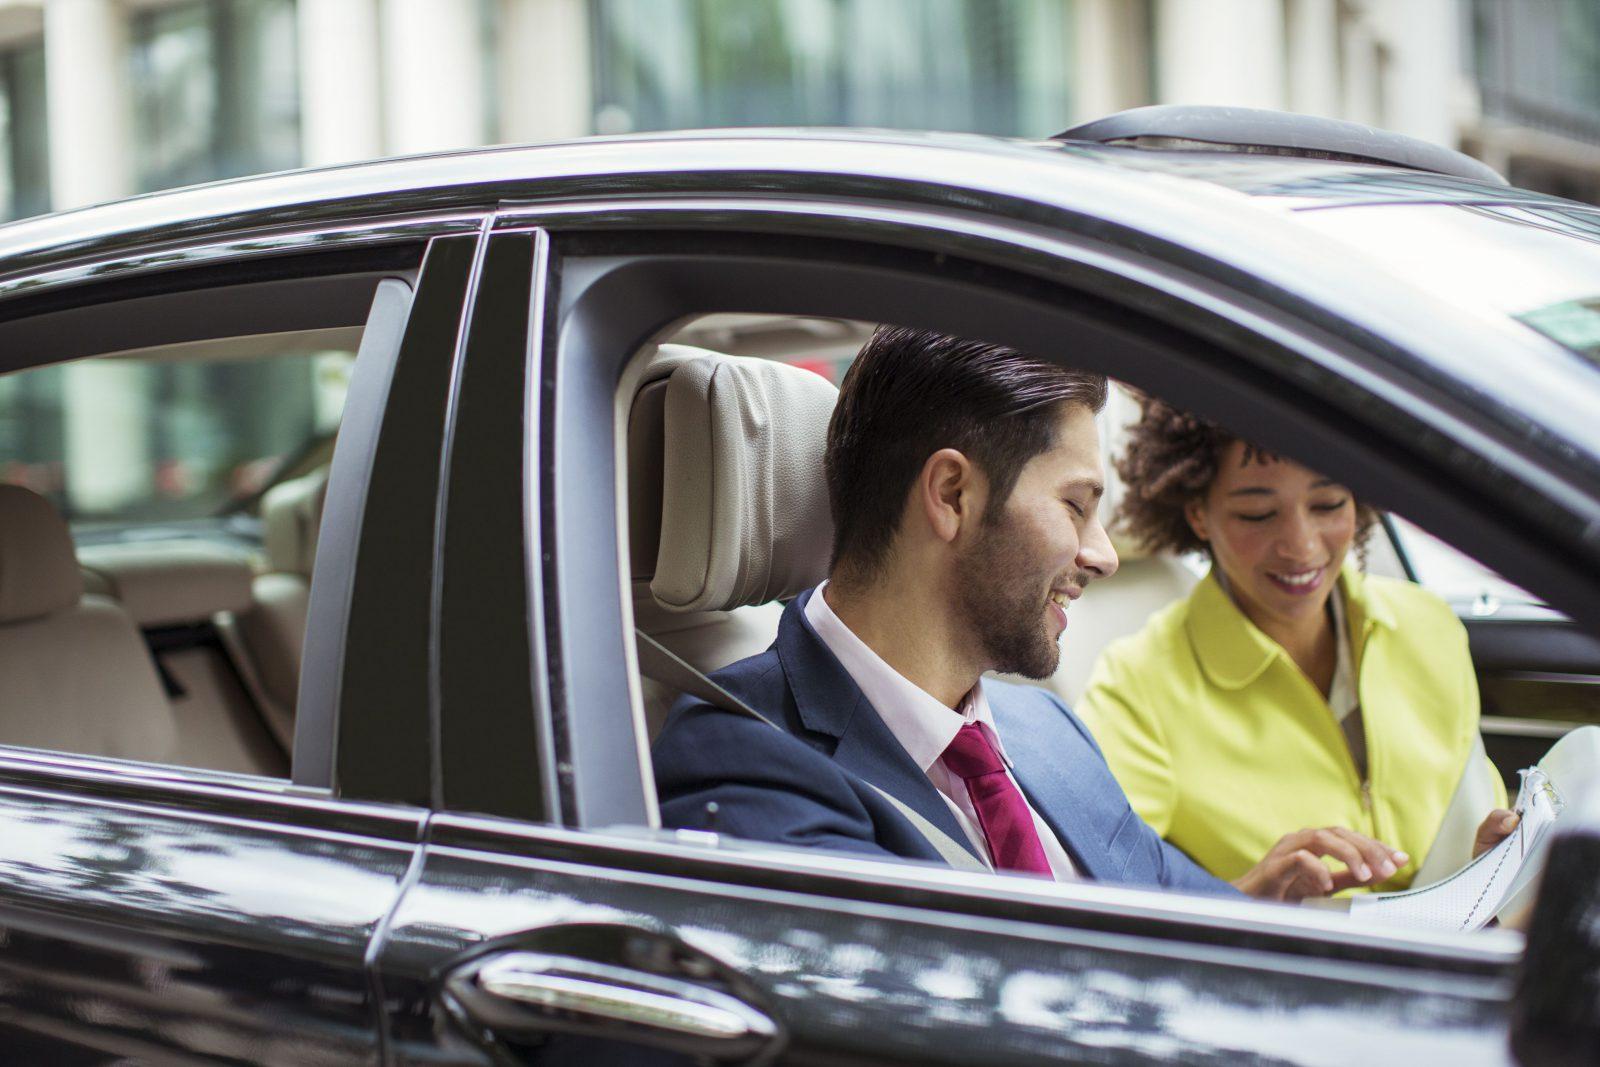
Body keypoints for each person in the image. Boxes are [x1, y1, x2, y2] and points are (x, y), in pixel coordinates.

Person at [652, 327, 1407, 900]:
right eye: (1076, 506)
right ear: (952, 495)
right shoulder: (743, 761)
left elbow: (1178, 912)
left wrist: (1259, 916)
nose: (1104, 555)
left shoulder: (1049, 732)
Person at [1077, 396, 1518, 892]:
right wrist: (1250, 901)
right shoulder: (1138, 687)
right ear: (1199, 514)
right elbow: (1109, 906)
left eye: (1329, 504)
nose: (1302, 546)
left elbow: (1468, 810)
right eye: (1258, 513)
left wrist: (1488, 863)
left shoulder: (1427, 625)